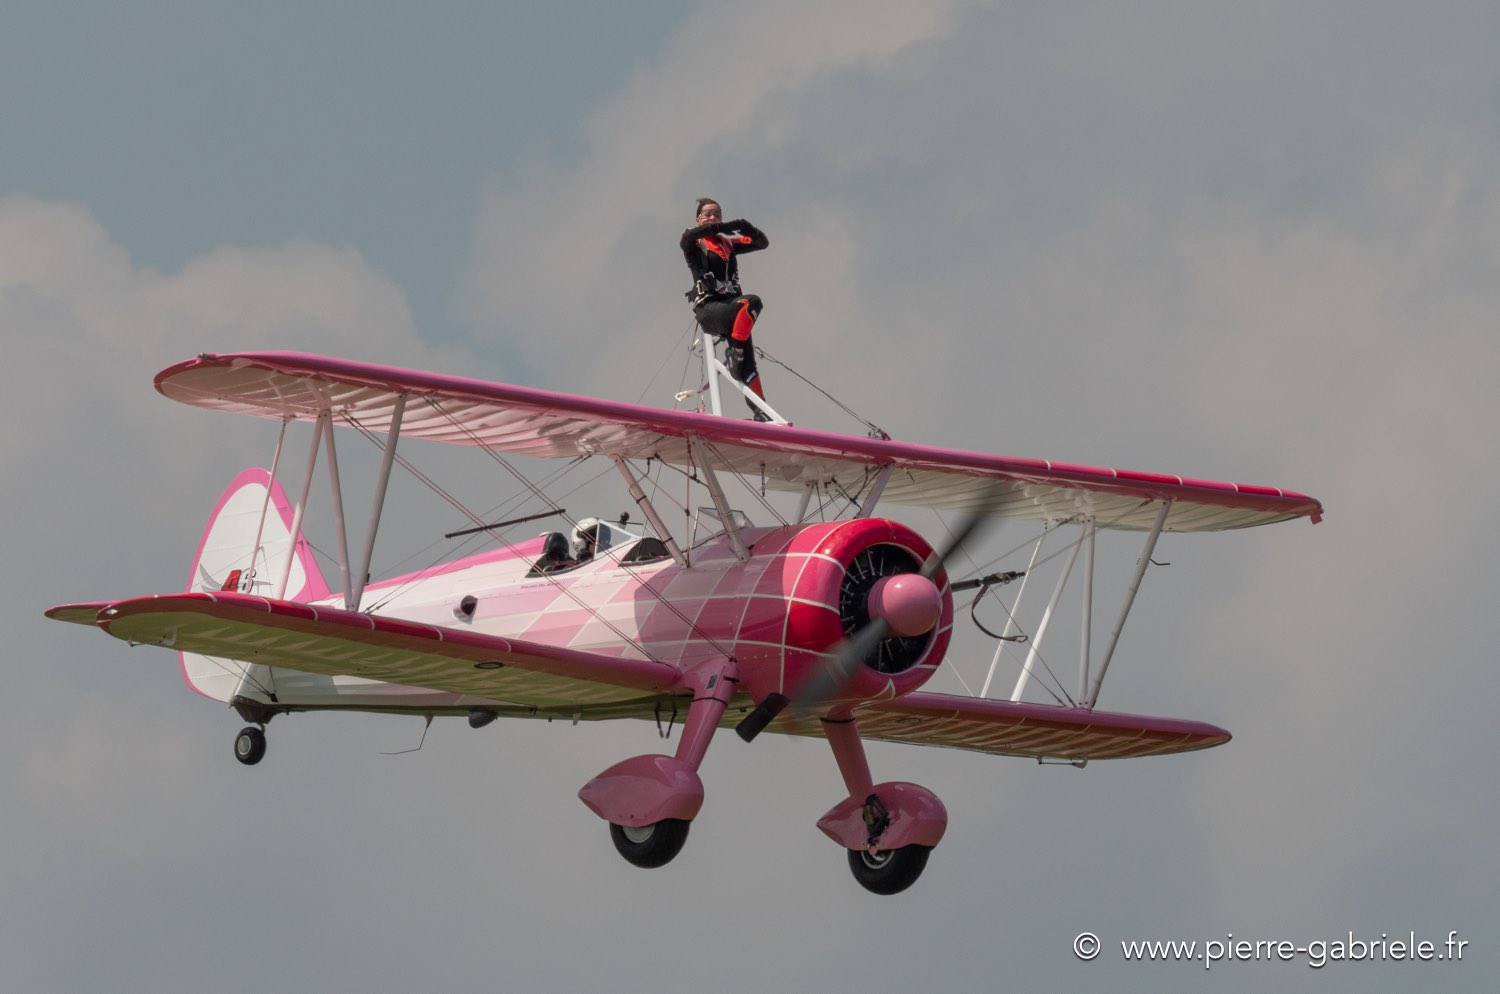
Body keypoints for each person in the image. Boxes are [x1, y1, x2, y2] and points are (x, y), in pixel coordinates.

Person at [680, 198, 772, 420]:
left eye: (718, 214)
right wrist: (726, 226)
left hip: (733, 312)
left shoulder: (727, 243)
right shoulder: (692, 241)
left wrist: (745, 225)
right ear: (698, 219)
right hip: (710, 310)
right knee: (752, 302)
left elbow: (762, 243)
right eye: (708, 214)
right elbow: (696, 234)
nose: (713, 218)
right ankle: (735, 354)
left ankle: (761, 414)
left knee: (748, 367)